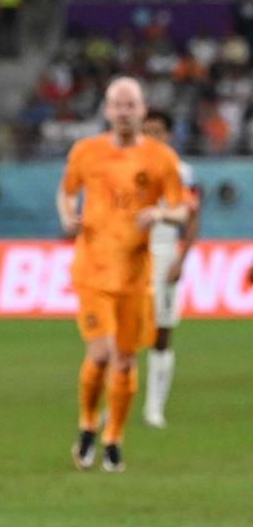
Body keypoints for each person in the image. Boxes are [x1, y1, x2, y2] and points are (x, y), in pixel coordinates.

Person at [57, 78, 187, 473]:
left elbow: (182, 209)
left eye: (131, 105)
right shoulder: (86, 151)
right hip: (93, 271)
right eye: (118, 104)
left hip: (135, 276)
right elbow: (66, 192)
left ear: (143, 110)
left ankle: (113, 437)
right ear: (107, 110)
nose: (124, 111)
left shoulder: (161, 158)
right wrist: (67, 216)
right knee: (99, 354)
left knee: (126, 363)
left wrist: (162, 213)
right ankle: (86, 427)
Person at [139, 109, 200, 429]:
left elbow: (192, 217)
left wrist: (181, 258)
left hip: (164, 252)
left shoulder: (181, 171)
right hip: (130, 255)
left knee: (161, 332)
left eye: (157, 132)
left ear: (169, 135)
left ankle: (154, 408)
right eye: (145, 131)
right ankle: (117, 400)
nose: (151, 138)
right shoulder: (126, 166)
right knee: (123, 333)